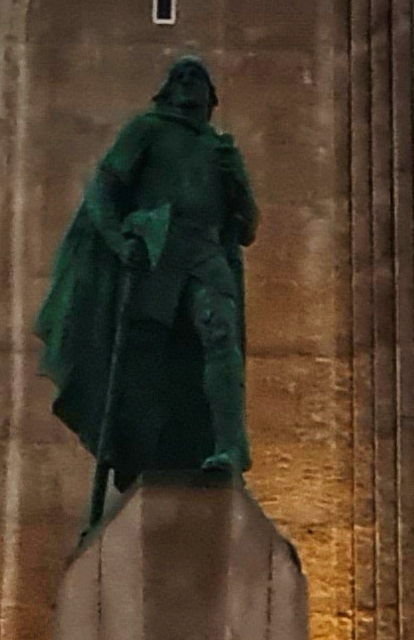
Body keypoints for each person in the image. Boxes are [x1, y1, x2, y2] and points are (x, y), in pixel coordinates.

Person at [37, 54, 256, 511]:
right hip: (158, 252)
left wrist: (236, 179)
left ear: (211, 98)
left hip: (206, 253)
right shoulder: (147, 130)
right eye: (182, 77)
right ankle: (141, 454)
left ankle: (229, 447)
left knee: (221, 337)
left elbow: (248, 227)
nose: (190, 85)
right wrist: (118, 241)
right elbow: (104, 188)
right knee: (147, 361)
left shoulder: (218, 150)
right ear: (168, 90)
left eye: (199, 79)